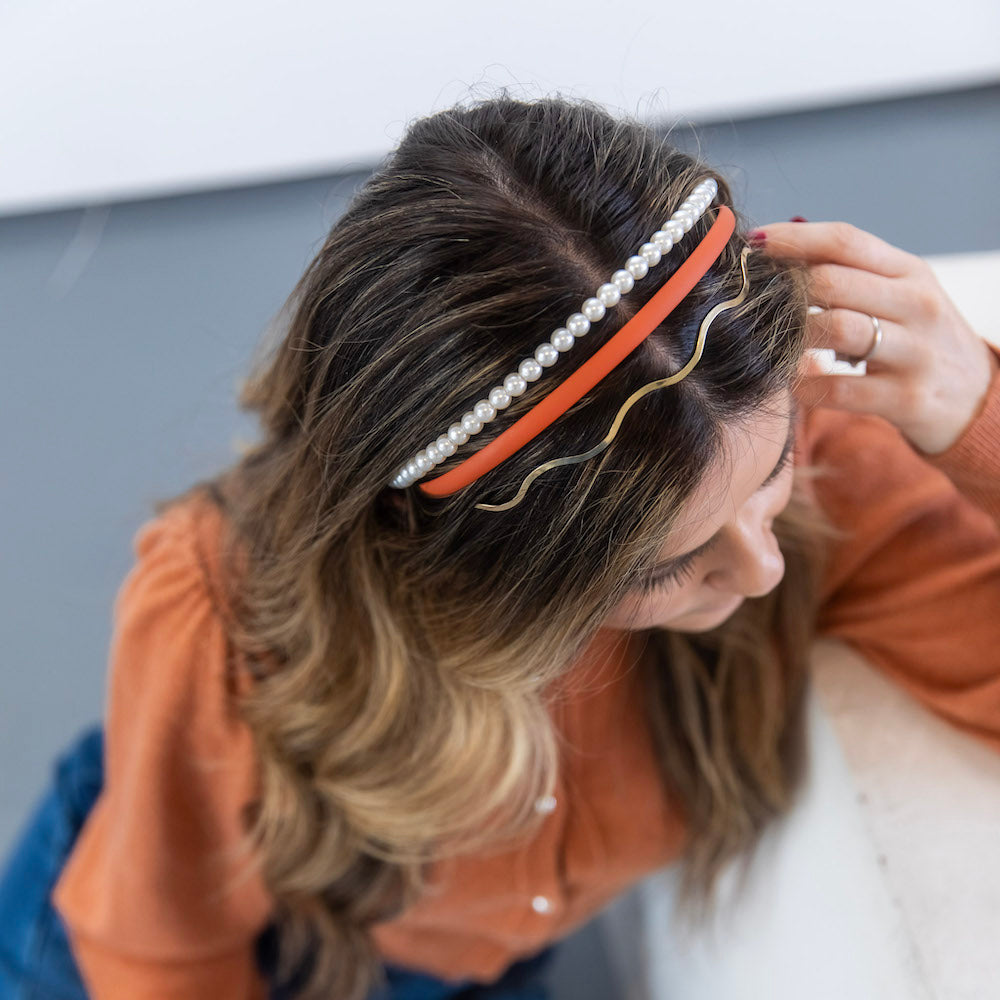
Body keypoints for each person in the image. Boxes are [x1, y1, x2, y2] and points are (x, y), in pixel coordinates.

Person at [1, 92, 998, 1000]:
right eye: (658, 566)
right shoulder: (216, 615)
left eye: (775, 457)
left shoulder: (818, 479)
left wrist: (975, 416)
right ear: (477, 558)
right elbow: (161, 951)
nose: (761, 567)